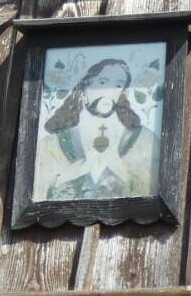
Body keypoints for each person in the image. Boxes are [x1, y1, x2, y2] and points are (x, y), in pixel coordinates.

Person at [40, 56, 153, 200]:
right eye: (102, 83)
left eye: (118, 86)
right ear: (83, 89)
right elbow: (38, 190)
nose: (109, 93)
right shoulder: (51, 145)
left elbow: (151, 191)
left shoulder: (144, 140)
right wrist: (69, 175)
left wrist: (120, 168)